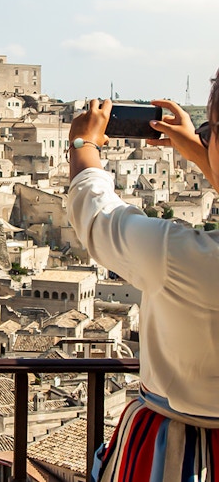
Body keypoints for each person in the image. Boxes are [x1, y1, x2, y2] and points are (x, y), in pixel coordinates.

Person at [67, 73, 219, 481]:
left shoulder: (186, 256)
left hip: (175, 448)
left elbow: (96, 216)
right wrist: (199, 151)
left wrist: (85, 145)